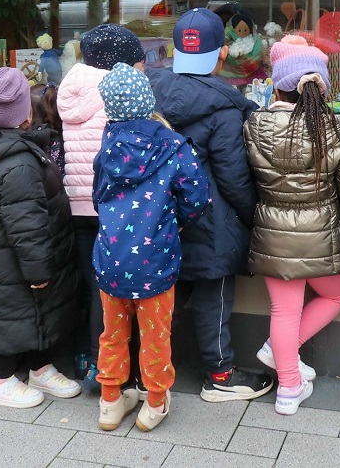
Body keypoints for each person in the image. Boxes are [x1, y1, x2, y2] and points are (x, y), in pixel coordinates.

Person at [146, 8, 274, 403]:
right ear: (222, 54)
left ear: (173, 50)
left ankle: (152, 368)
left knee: (164, 298)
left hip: (158, 216)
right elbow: (234, 177)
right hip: (208, 217)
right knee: (213, 295)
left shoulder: (148, 92)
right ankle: (219, 374)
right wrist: (252, 215)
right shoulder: (224, 107)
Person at [243, 35, 340, 415]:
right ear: (320, 84)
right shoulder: (336, 128)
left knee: (283, 310)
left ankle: (288, 387)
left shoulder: (255, 123)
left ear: (279, 83)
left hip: (271, 229)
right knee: (339, 293)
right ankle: (283, 359)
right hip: (321, 231)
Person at [0, 67, 81, 409]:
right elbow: (27, 224)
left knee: (36, 313)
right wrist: (38, 270)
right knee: (13, 317)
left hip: (8, 257)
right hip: (17, 261)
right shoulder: (18, 164)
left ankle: (39, 368)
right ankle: (1, 380)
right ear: (24, 113)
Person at [92, 64, 211, 433]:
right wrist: (175, 222)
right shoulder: (172, 145)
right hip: (155, 260)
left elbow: (98, 197)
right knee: (156, 335)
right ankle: (154, 403)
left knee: (112, 333)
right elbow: (197, 197)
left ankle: (110, 401)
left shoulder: (108, 144)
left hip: (110, 258)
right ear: (147, 99)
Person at [58, 23, 148, 393]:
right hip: (109, 205)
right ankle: (104, 364)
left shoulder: (70, 87)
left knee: (86, 283)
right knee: (108, 290)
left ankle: (84, 356)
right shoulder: (115, 95)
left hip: (76, 202)